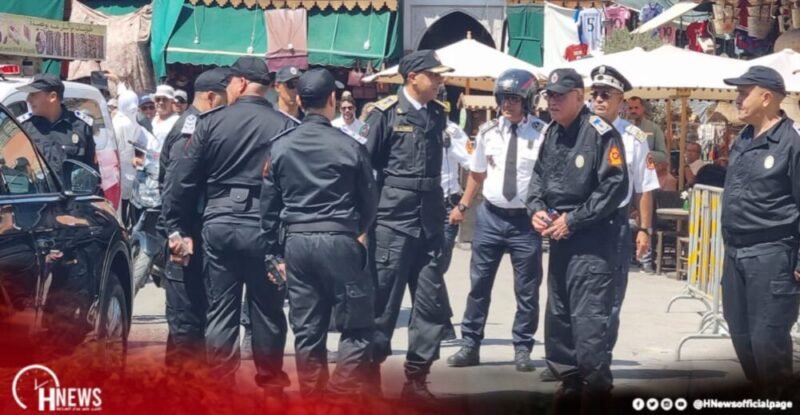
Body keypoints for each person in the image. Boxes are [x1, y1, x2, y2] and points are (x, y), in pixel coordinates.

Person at [163, 56, 296, 400]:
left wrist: (177, 227)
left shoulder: (210, 123)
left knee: (221, 310)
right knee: (267, 311)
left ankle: (221, 389)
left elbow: (182, 182)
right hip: (265, 227)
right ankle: (271, 387)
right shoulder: (285, 125)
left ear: (240, 82)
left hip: (220, 223)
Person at [260, 68, 377, 403]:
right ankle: (337, 394)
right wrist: (354, 231)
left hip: (297, 243)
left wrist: (274, 252)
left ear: (299, 100)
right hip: (339, 238)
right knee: (358, 327)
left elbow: (268, 207)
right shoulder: (350, 146)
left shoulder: (280, 147)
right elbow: (370, 201)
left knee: (308, 332)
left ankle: (314, 401)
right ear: (332, 100)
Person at [526, 68, 628, 411]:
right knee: (559, 320)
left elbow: (614, 186)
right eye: (549, 95)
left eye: (560, 95)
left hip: (592, 242)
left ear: (578, 97)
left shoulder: (600, 132)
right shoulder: (552, 132)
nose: (552, 101)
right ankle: (569, 385)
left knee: (588, 327)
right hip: (559, 240)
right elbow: (538, 178)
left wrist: (574, 219)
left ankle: (597, 391)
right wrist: (536, 209)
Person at [362, 49, 454, 402]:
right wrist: (363, 221)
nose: (440, 81)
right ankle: (369, 375)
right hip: (392, 221)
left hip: (429, 222)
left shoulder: (438, 113)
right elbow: (363, 168)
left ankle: (417, 378)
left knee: (430, 305)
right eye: (435, 75)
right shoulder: (384, 114)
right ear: (413, 77)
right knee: (382, 303)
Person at [447, 69, 544, 372]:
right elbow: (477, 174)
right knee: (479, 285)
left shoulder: (543, 133)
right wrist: (463, 204)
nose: (507, 104)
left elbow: (550, 178)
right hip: (490, 217)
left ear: (527, 100)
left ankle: (523, 347)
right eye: (503, 98)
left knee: (527, 289)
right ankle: (470, 344)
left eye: (514, 98)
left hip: (525, 222)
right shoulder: (487, 132)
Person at [720, 66, 800, 397]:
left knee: (768, 344)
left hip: (772, 255)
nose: (737, 99)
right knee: (742, 336)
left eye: (744, 93)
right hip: (736, 253)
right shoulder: (743, 138)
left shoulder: (792, 143)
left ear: (766, 98)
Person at [158, 67, 230, 371]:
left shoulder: (204, 126)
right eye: (227, 98)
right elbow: (174, 189)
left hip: (198, 234)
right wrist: (177, 233)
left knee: (194, 324)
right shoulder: (191, 129)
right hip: (187, 238)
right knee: (186, 327)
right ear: (211, 97)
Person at [589, 65, 659, 357]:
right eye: (595, 93)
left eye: (606, 94)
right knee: (574, 292)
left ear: (621, 100)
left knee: (612, 294)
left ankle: (600, 356)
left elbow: (644, 187)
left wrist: (644, 229)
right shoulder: (580, 130)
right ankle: (569, 359)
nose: (598, 99)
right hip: (580, 223)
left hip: (614, 223)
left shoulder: (634, 137)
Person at [436, 87, 470, 345]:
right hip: (421, 206)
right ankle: (441, 324)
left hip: (448, 206)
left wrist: (463, 204)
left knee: (438, 266)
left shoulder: (453, 132)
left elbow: (473, 163)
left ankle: (439, 322)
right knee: (429, 267)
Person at [16, 74, 97, 180]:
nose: (28, 99)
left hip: (70, 191)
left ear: (52, 97)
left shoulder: (81, 126)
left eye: (33, 94)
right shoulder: (23, 128)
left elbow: (91, 172)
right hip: (39, 191)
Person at [626, 96, 668, 165]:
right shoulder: (622, 129)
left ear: (643, 108)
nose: (633, 111)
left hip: (646, 169)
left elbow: (663, 155)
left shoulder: (654, 129)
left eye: (636, 108)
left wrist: (644, 153)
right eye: (630, 108)